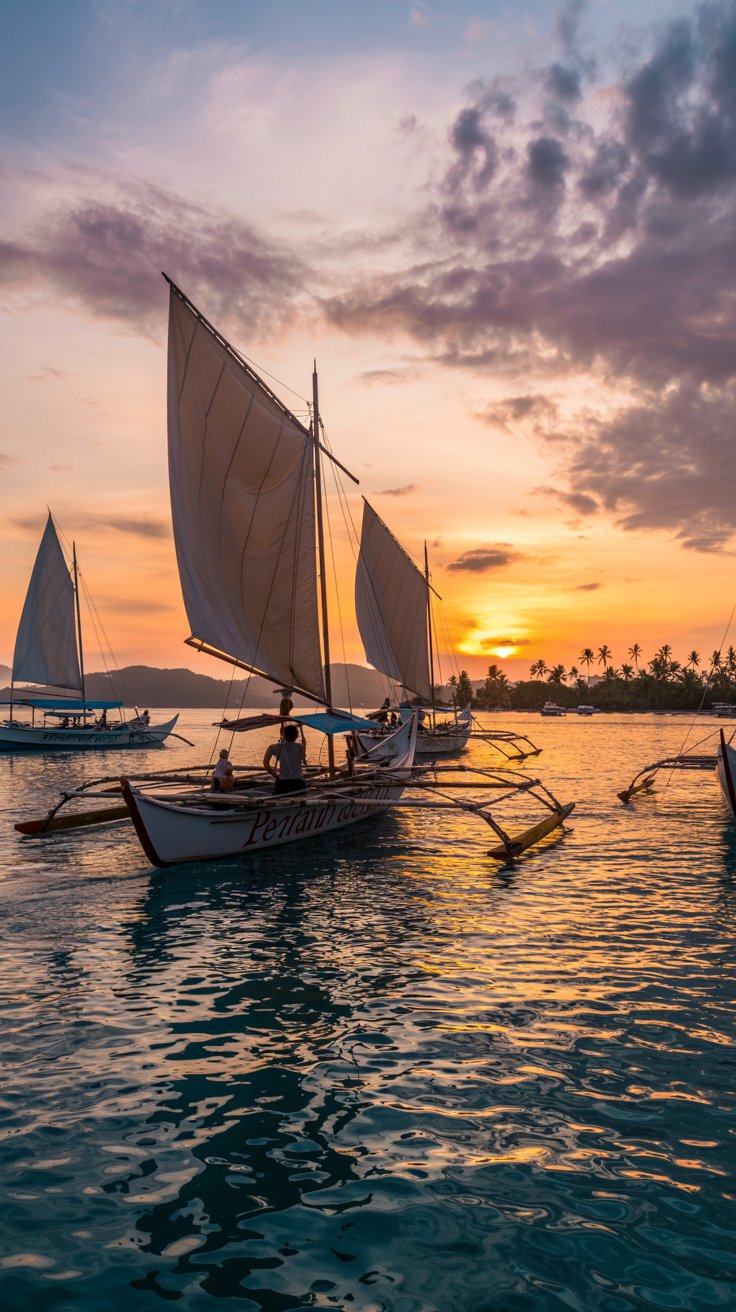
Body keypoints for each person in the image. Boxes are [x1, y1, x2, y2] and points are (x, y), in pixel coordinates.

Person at [263, 723, 307, 795]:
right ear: (296, 736)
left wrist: (274, 774)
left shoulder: (275, 747)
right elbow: (303, 757)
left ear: (284, 735)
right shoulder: (300, 747)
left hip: (283, 785)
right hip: (298, 785)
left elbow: (266, 764)